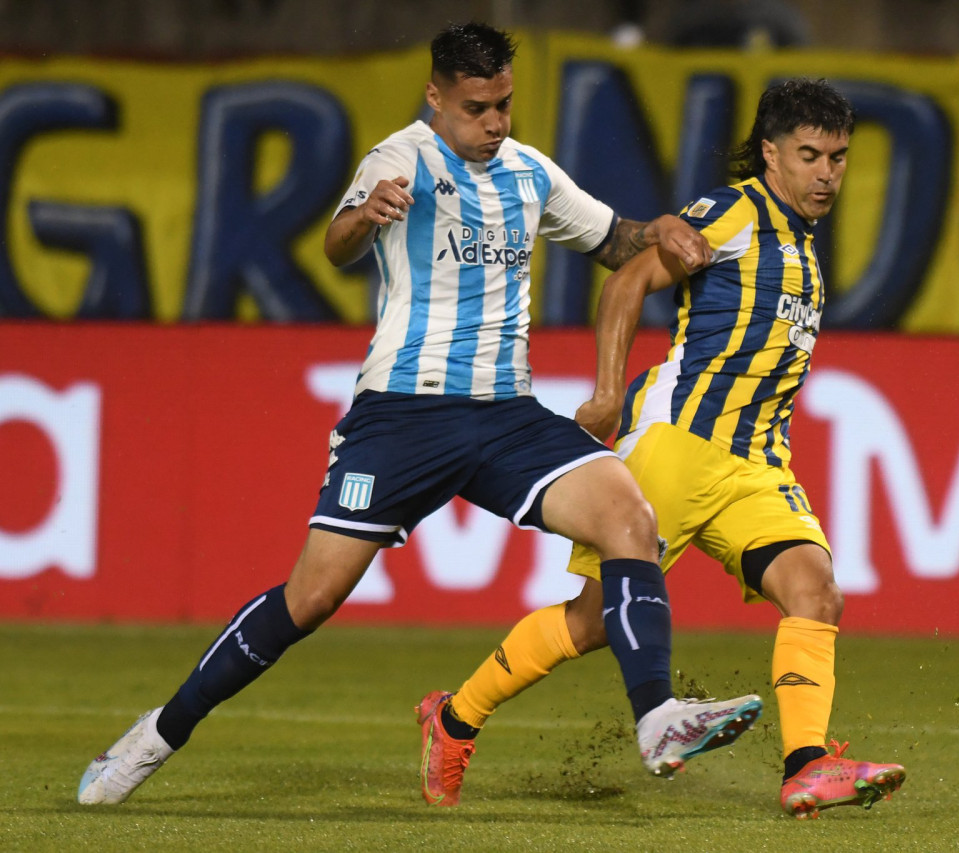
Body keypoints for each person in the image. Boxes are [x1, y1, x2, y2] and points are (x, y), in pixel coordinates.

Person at [76, 20, 763, 807]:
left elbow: (614, 240)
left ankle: (657, 718)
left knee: (629, 518)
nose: (496, 122)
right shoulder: (400, 157)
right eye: (477, 107)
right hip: (403, 414)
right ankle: (156, 734)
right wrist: (367, 214)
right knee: (313, 597)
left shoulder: (530, 172)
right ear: (436, 96)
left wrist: (662, 231)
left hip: (506, 414)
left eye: (504, 103)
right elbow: (336, 243)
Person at [422, 78, 907, 819]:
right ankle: (453, 719)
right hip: (679, 443)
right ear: (771, 153)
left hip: (754, 463)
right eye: (809, 155)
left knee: (816, 591)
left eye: (838, 157)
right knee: (590, 621)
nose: (826, 173)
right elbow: (625, 285)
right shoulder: (735, 212)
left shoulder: (803, 247)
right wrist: (609, 393)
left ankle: (807, 765)